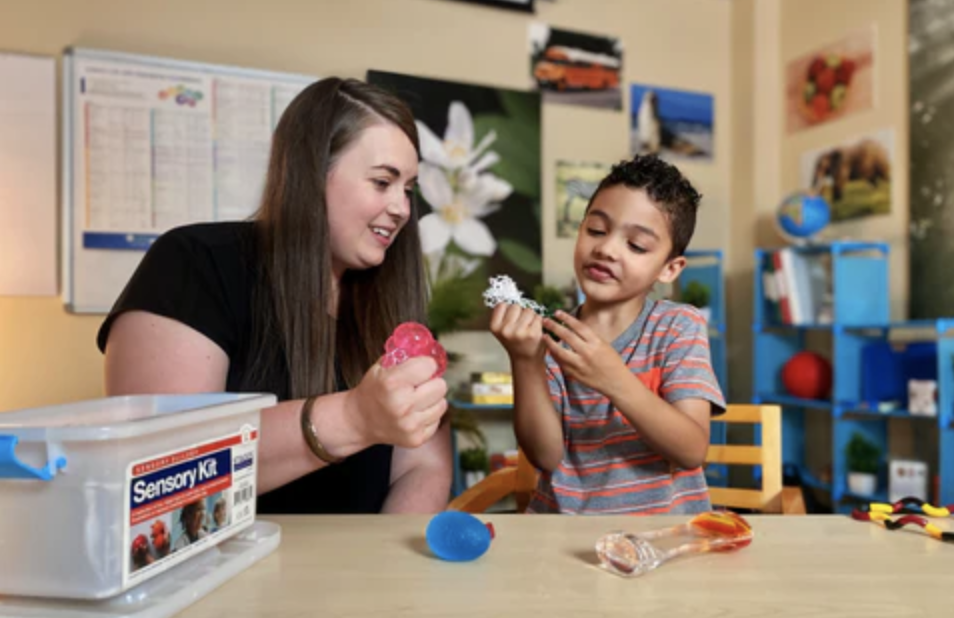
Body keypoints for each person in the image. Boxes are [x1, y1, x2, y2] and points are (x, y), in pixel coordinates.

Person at [97, 77, 451, 514]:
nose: (402, 208)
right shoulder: (195, 265)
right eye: (382, 182)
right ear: (309, 173)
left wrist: (388, 567)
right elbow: (162, 474)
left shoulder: (389, 299)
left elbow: (423, 467)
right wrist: (355, 418)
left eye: (409, 189)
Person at [490, 155, 725, 515]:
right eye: (596, 230)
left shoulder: (677, 326)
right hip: (563, 539)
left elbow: (692, 450)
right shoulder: (554, 334)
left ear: (669, 268)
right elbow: (547, 457)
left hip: (659, 541)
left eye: (636, 245)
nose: (606, 248)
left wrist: (614, 379)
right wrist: (525, 361)